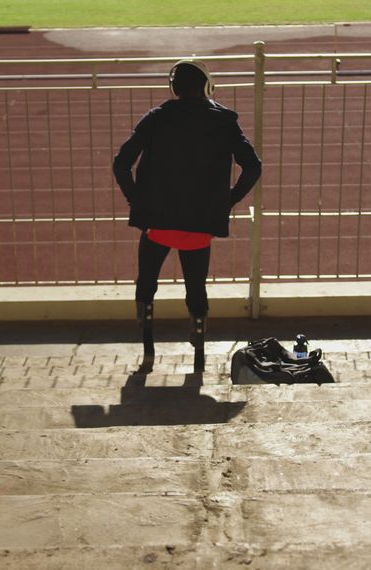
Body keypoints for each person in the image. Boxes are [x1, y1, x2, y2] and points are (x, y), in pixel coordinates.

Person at [112, 59, 262, 367]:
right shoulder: (224, 121)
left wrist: (137, 200)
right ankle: (198, 334)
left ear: (173, 87)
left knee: (147, 281)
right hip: (199, 226)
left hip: (157, 224)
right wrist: (228, 201)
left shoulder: (156, 118)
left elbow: (121, 163)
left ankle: (148, 341)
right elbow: (253, 166)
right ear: (206, 86)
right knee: (196, 286)